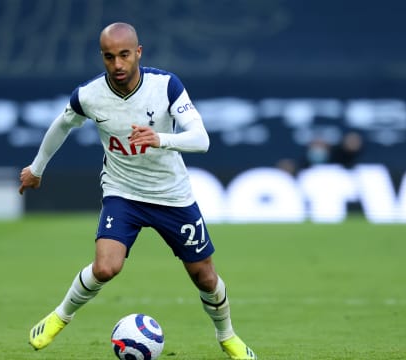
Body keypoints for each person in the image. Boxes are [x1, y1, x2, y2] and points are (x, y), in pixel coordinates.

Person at [18, 22, 257, 359]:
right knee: (105, 268)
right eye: (109, 57)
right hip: (123, 192)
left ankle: (227, 336)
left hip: (172, 195)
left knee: (205, 277)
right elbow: (62, 124)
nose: (117, 65)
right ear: (101, 57)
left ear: (138, 53)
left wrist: (161, 138)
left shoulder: (166, 86)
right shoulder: (89, 95)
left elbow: (201, 139)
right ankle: (60, 316)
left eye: (124, 55)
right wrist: (37, 169)